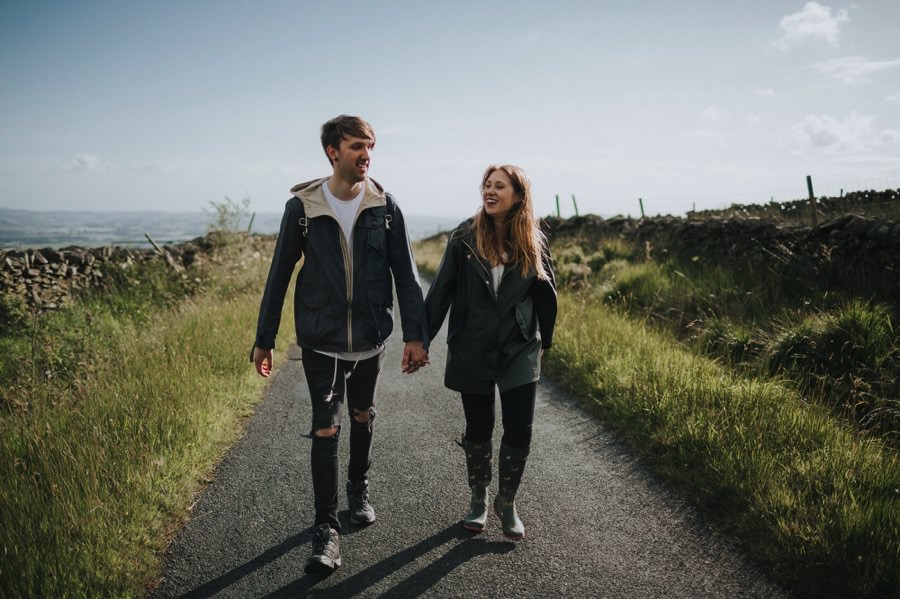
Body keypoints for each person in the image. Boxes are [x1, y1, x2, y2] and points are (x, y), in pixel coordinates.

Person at [251, 115, 429, 574]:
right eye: (355, 146)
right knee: (326, 427)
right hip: (321, 340)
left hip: (371, 340)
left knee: (362, 415)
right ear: (332, 151)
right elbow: (279, 275)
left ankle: (358, 487)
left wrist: (415, 335)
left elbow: (406, 277)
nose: (365, 154)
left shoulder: (386, 208)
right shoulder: (303, 208)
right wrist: (264, 339)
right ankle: (326, 530)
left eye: (369, 146)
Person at [424, 164, 557, 541]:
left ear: (518, 195)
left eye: (500, 186)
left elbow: (546, 293)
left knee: (520, 430)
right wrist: (421, 339)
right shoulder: (465, 237)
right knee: (479, 428)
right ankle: (479, 497)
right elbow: (442, 290)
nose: (490, 190)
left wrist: (543, 340)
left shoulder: (534, 240)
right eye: (487, 184)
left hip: (519, 347)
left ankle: (507, 501)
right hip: (473, 345)